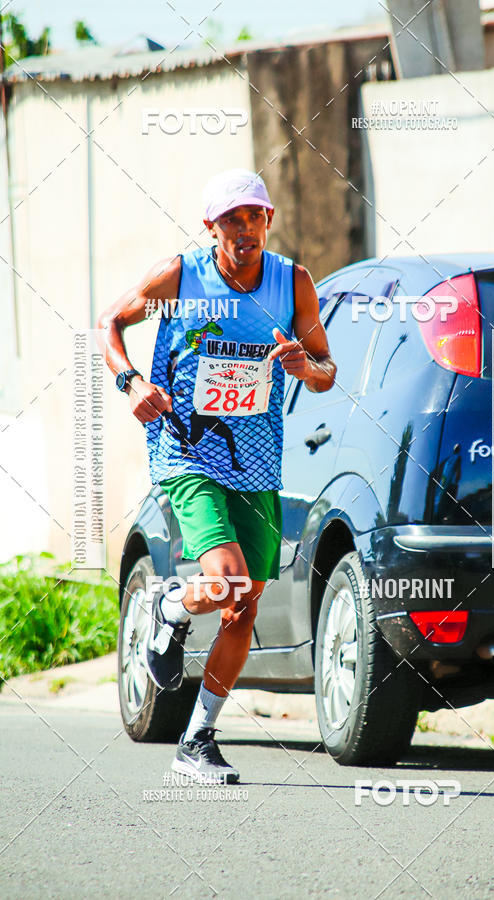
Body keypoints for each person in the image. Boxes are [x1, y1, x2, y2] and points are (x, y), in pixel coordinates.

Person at [97, 168, 336, 783]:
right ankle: (170, 602)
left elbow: (326, 370)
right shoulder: (181, 276)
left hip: (256, 462)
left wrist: (303, 364)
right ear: (212, 227)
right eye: (233, 218)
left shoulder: (293, 283)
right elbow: (111, 323)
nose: (246, 228)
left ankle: (197, 740)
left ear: (269, 221)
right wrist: (132, 382)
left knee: (245, 607)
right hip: (186, 451)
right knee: (226, 583)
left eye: (255, 216)